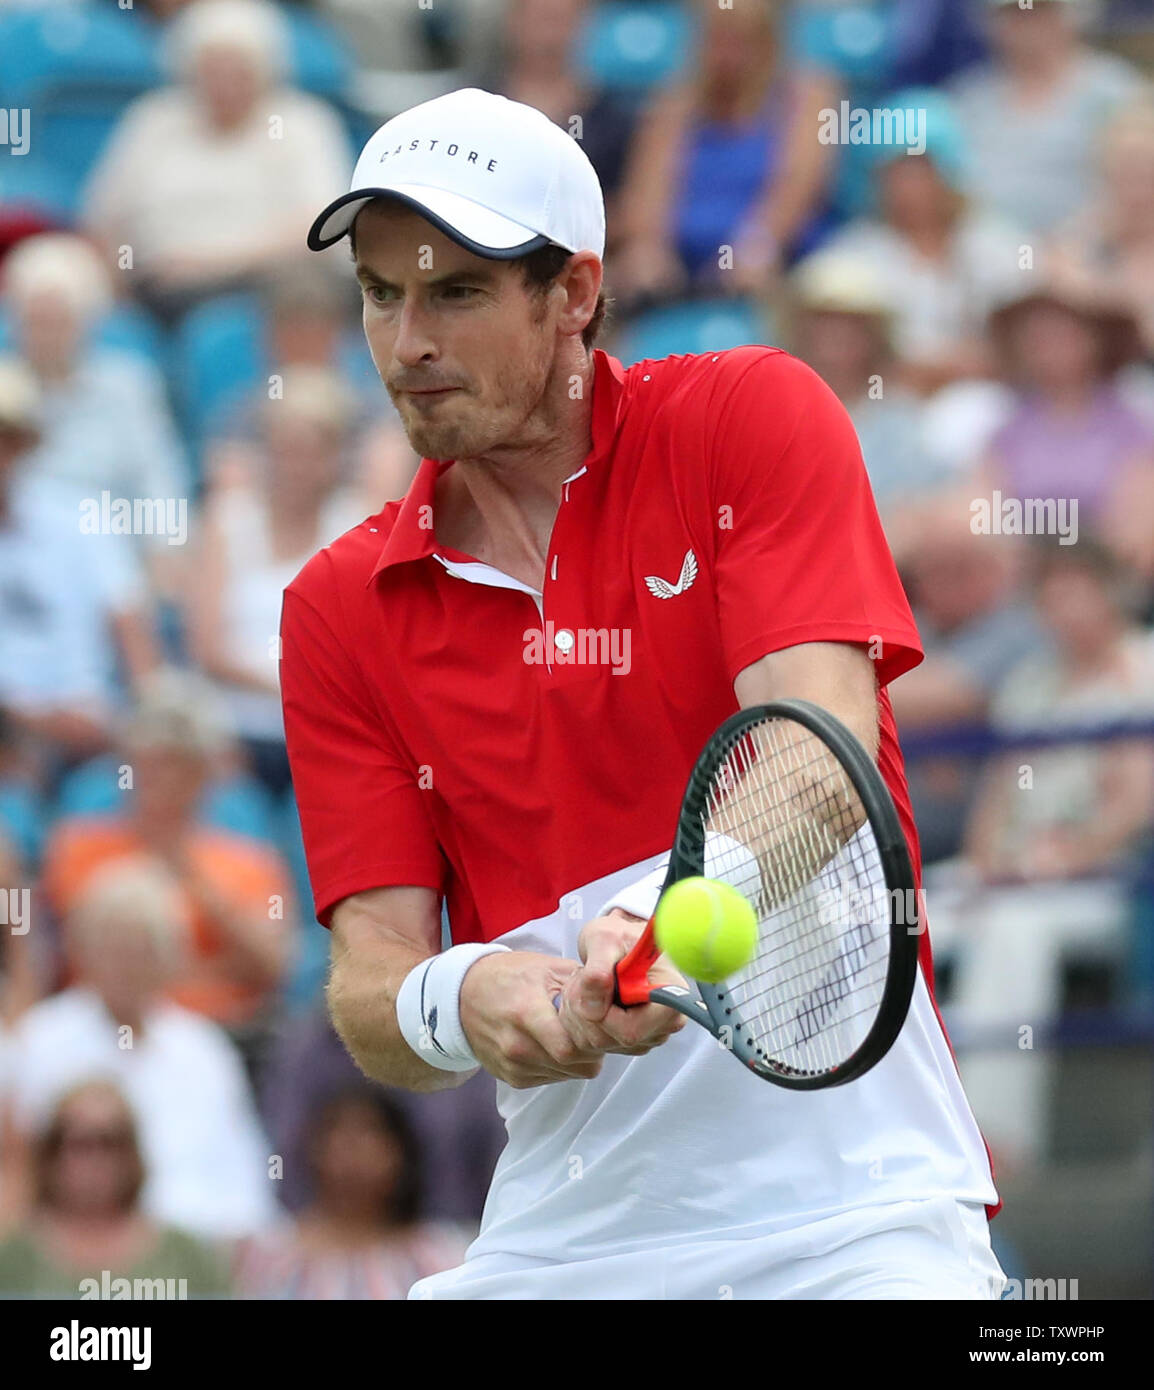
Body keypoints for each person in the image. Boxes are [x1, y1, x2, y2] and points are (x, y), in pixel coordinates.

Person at [281, 86, 1004, 1300]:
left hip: (858, 1219)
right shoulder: (334, 608)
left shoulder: (747, 416)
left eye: (454, 291)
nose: (405, 341)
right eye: (379, 291)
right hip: (557, 1245)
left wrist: (679, 919)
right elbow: (367, 985)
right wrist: (467, 992)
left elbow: (817, 758)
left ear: (570, 294)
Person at [934, 538, 1154, 1167]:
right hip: (1018, 870)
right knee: (902, 913)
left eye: (1075, 589)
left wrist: (1069, 857)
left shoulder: (1143, 668)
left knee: (1014, 928)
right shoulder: (1031, 682)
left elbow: (1136, 802)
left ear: (1110, 591)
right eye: (1051, 594)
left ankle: (994, 1143)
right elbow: (998, 795)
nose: (1062, 607)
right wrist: (984, 867)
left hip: (1110, 881)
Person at [3, 859, 278, 1240]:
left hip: (197, 1253)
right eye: (113, 945)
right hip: (73, 1254)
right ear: (84, 952)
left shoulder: (204, 1050)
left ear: (170, 957)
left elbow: (243, 1171)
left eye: (143, 946)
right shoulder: (38, 1041)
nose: (128, 963)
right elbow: (19, 1171)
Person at [42, 668, 294, 1037]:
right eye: (148, 760)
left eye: (179, 762)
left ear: (205, 773)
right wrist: (213, 971)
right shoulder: (79, 847)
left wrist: (190, 876)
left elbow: (270, 969)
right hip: (102, 1032)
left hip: (225, 1036)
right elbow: (88, 961)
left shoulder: (250, 862)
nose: (160, 778)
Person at [82, 0, 351, 325]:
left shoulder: (303, 123)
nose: (225, 85)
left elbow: (321, 225)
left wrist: (209, 264)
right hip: (160, 288)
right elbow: (103, 216)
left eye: (238, 71)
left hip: (272, 286)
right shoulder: (153, 119)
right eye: (213, 70)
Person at [186, 367, 376, 800]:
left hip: (327, 727)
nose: (296, 466)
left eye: (311, 451)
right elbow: (207, 648)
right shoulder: (226, 520)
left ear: (335, 456)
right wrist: (287, 685)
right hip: (232, 733)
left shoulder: (357, 523)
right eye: (285, 450)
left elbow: (363, 646)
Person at [611, 0, 837, 304]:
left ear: (767, 44)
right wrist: (649, 247)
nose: (726, 57)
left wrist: (758, 246)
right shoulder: (674, 103)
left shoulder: (805, 97)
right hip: (682, 265)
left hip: (776, 260)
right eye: (716, 41)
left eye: (739, 42)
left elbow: (798, 188)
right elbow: (646, 194)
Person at [234, 1086, 473, 1299]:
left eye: (367, 1135)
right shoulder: (272, 1254)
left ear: (401, 1155)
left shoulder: (438, 1257)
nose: (351, 1153)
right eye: (338, 1136)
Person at [0, 1080, 228, 1298]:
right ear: (53, 1153)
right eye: (82, 1143)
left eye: (110, 1142)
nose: (97, 1159)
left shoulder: (185, 1255)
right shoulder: (12, 1259)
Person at [950, 0, 1148, 237]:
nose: (1028, 26)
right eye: (1016, 15)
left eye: (1039, 12)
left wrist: (1071, 246)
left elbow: (1140, 184)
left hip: (1095, 253)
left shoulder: (1118, 91)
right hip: (987, 258)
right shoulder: (967, 102)